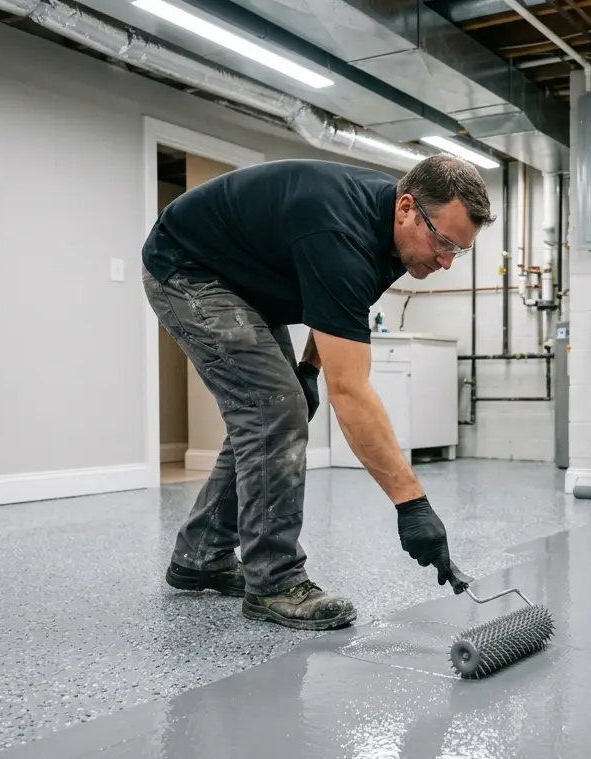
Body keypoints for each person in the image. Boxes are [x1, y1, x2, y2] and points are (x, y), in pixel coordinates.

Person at [140, 153, 493, 631]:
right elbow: (350, 391)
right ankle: (275, 581)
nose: (447, 261)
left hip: (248, 282)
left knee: (276, 407)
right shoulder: (341, 234)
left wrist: (307, 370)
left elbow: (335, 312)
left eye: (460, 250)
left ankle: (202, 554)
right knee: (274, 409)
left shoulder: (400, 242)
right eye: (444, 242)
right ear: (407, 208)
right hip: (188, 269)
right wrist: (412, 505)